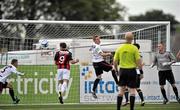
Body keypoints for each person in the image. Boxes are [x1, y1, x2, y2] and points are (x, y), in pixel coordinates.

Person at [114, 32, 143, 110]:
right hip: (132, 71)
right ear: (132, 39)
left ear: (125, 38)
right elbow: (139, 62)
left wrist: (116, 71)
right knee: (132, 91)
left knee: (121, 91)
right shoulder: (134, 48)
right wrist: (141, 72)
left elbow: (115, 61)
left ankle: (118, 109)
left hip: (122, 71)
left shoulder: (120, 48)